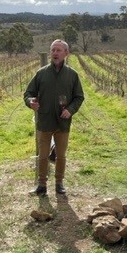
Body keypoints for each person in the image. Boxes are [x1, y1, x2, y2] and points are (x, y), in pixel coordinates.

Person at [24, 39, 84, 196]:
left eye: (58, 50)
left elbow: (79, 97)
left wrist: (70, 110)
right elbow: (28, 93)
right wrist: (30, 102)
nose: (55, 53)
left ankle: (59, 183)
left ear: (66, 53)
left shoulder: (72, 75)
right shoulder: (41, 73)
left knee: (61, 155)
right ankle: (41, 184)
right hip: (44, 121)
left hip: (63, 122)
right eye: (53, 50)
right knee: (43, 155)